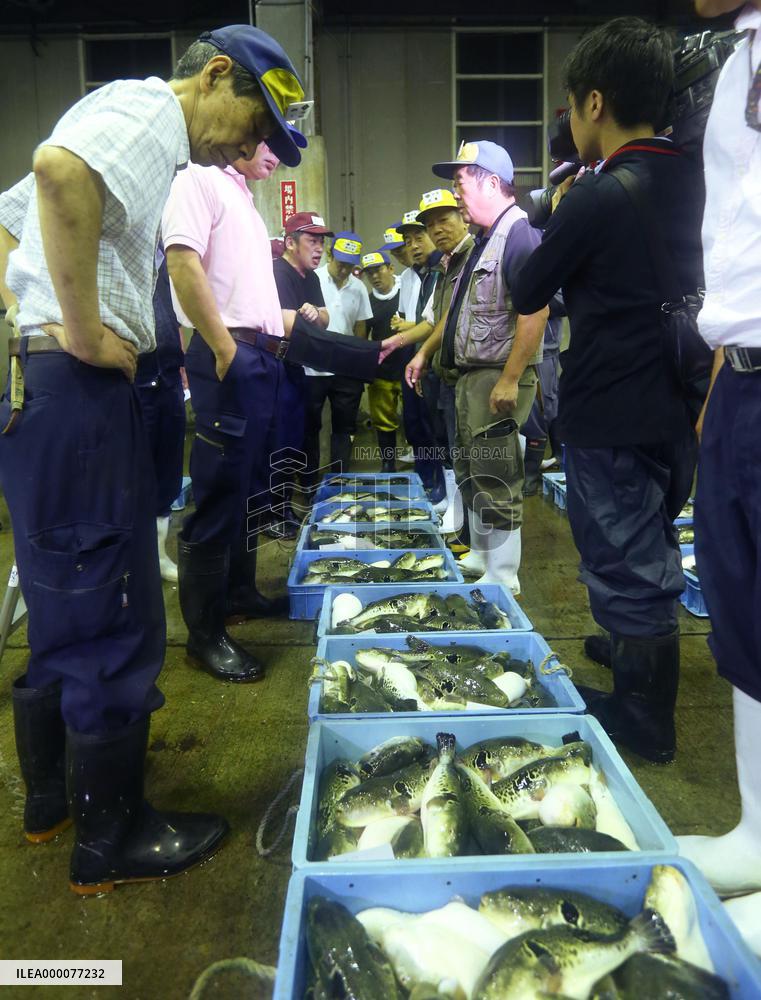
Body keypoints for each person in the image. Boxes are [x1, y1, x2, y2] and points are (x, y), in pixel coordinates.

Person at [0, 23, 305, 895]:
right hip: (80, 393)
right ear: (216, 76)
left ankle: (53, 803)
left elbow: (7, 222)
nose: (247, 148)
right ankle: (111, 837)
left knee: (65, 600)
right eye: (253, 125)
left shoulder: (144, 135)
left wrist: (31, 322)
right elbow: (56, 171)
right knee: (113, 612)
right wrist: (81, 330)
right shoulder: (148, 112)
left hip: (50, 392)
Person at [511, 17, 703, 764]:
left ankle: (643, 718)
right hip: (678, 402)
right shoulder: (695, 174)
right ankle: (629, 651)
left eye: (570, 107)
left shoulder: (595, 195)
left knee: (625, 557)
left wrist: (557, 206)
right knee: (649, 538)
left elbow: (529, 286)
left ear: (594, 103)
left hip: (612, 405)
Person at [161, 122, 307, 685]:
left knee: (251, 487)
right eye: (270, 144)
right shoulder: (198, 179)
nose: (276, 158)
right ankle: (204, 635)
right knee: (220, 493)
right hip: (230, 355)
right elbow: (183, 263)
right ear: (243, 134)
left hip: (259, 356)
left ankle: (239, 591)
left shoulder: (243, 197)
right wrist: (224, 348)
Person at [676, 0, 761, 947]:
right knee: (740, 609)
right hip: (740, 372)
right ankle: (755, 830)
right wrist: (719, 374)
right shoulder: (737, 58)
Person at [403, 142, 548, 593]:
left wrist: (510, 378)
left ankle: (504, 576)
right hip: (472, 377)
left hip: (495, 374)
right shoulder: (487, 240)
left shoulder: (518, 235)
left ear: (491, 182)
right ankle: (485, 556)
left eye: (461, 183)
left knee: (495, 473)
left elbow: (536, 309)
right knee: (472, 470)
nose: (456, 193)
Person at [270, 210, 332, 534]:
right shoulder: (277, 273)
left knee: (294, 438)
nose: (319, 248)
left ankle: (282, 508)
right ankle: (271, 514)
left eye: (322, 241)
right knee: (277, 440)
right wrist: (309, 319)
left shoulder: (312, 278)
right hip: (273, 367)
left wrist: (314, 314)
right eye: (312, 240)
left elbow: (324, 319)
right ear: (291, 243)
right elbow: (286, 325)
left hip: (296, 366)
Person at [303, 232, 372, 481]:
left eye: (349, 266)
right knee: (310, 425)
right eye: (340, 264)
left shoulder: (359, 288)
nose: (344, 270)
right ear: (330, 255)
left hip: (345, 366)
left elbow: (361, 328)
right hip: (313, 366)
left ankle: (339, 479)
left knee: (344, 426)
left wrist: (358, 362)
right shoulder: (312, 279)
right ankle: (309, 482)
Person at [392, 209, 446, 506]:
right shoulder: (417, 274)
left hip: (437, 362)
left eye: (419, 237)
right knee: (415, 424)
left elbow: (435, 323)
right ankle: (425, 480)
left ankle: (441, 486)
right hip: (416, 359)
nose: (413, 246)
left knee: (438, 429)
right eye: (408, 241)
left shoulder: (443, 270)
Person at [362, 251, 404, 471]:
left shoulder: (406, 292)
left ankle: (425, 464)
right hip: (381, 371)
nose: (375, 277)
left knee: (417, 418)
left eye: (378, 270)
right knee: (383, 420)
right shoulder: (368, 302)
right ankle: (388, 464)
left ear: (390, 268)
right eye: (369, 273)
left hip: (409, 367)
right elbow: (363, 337)